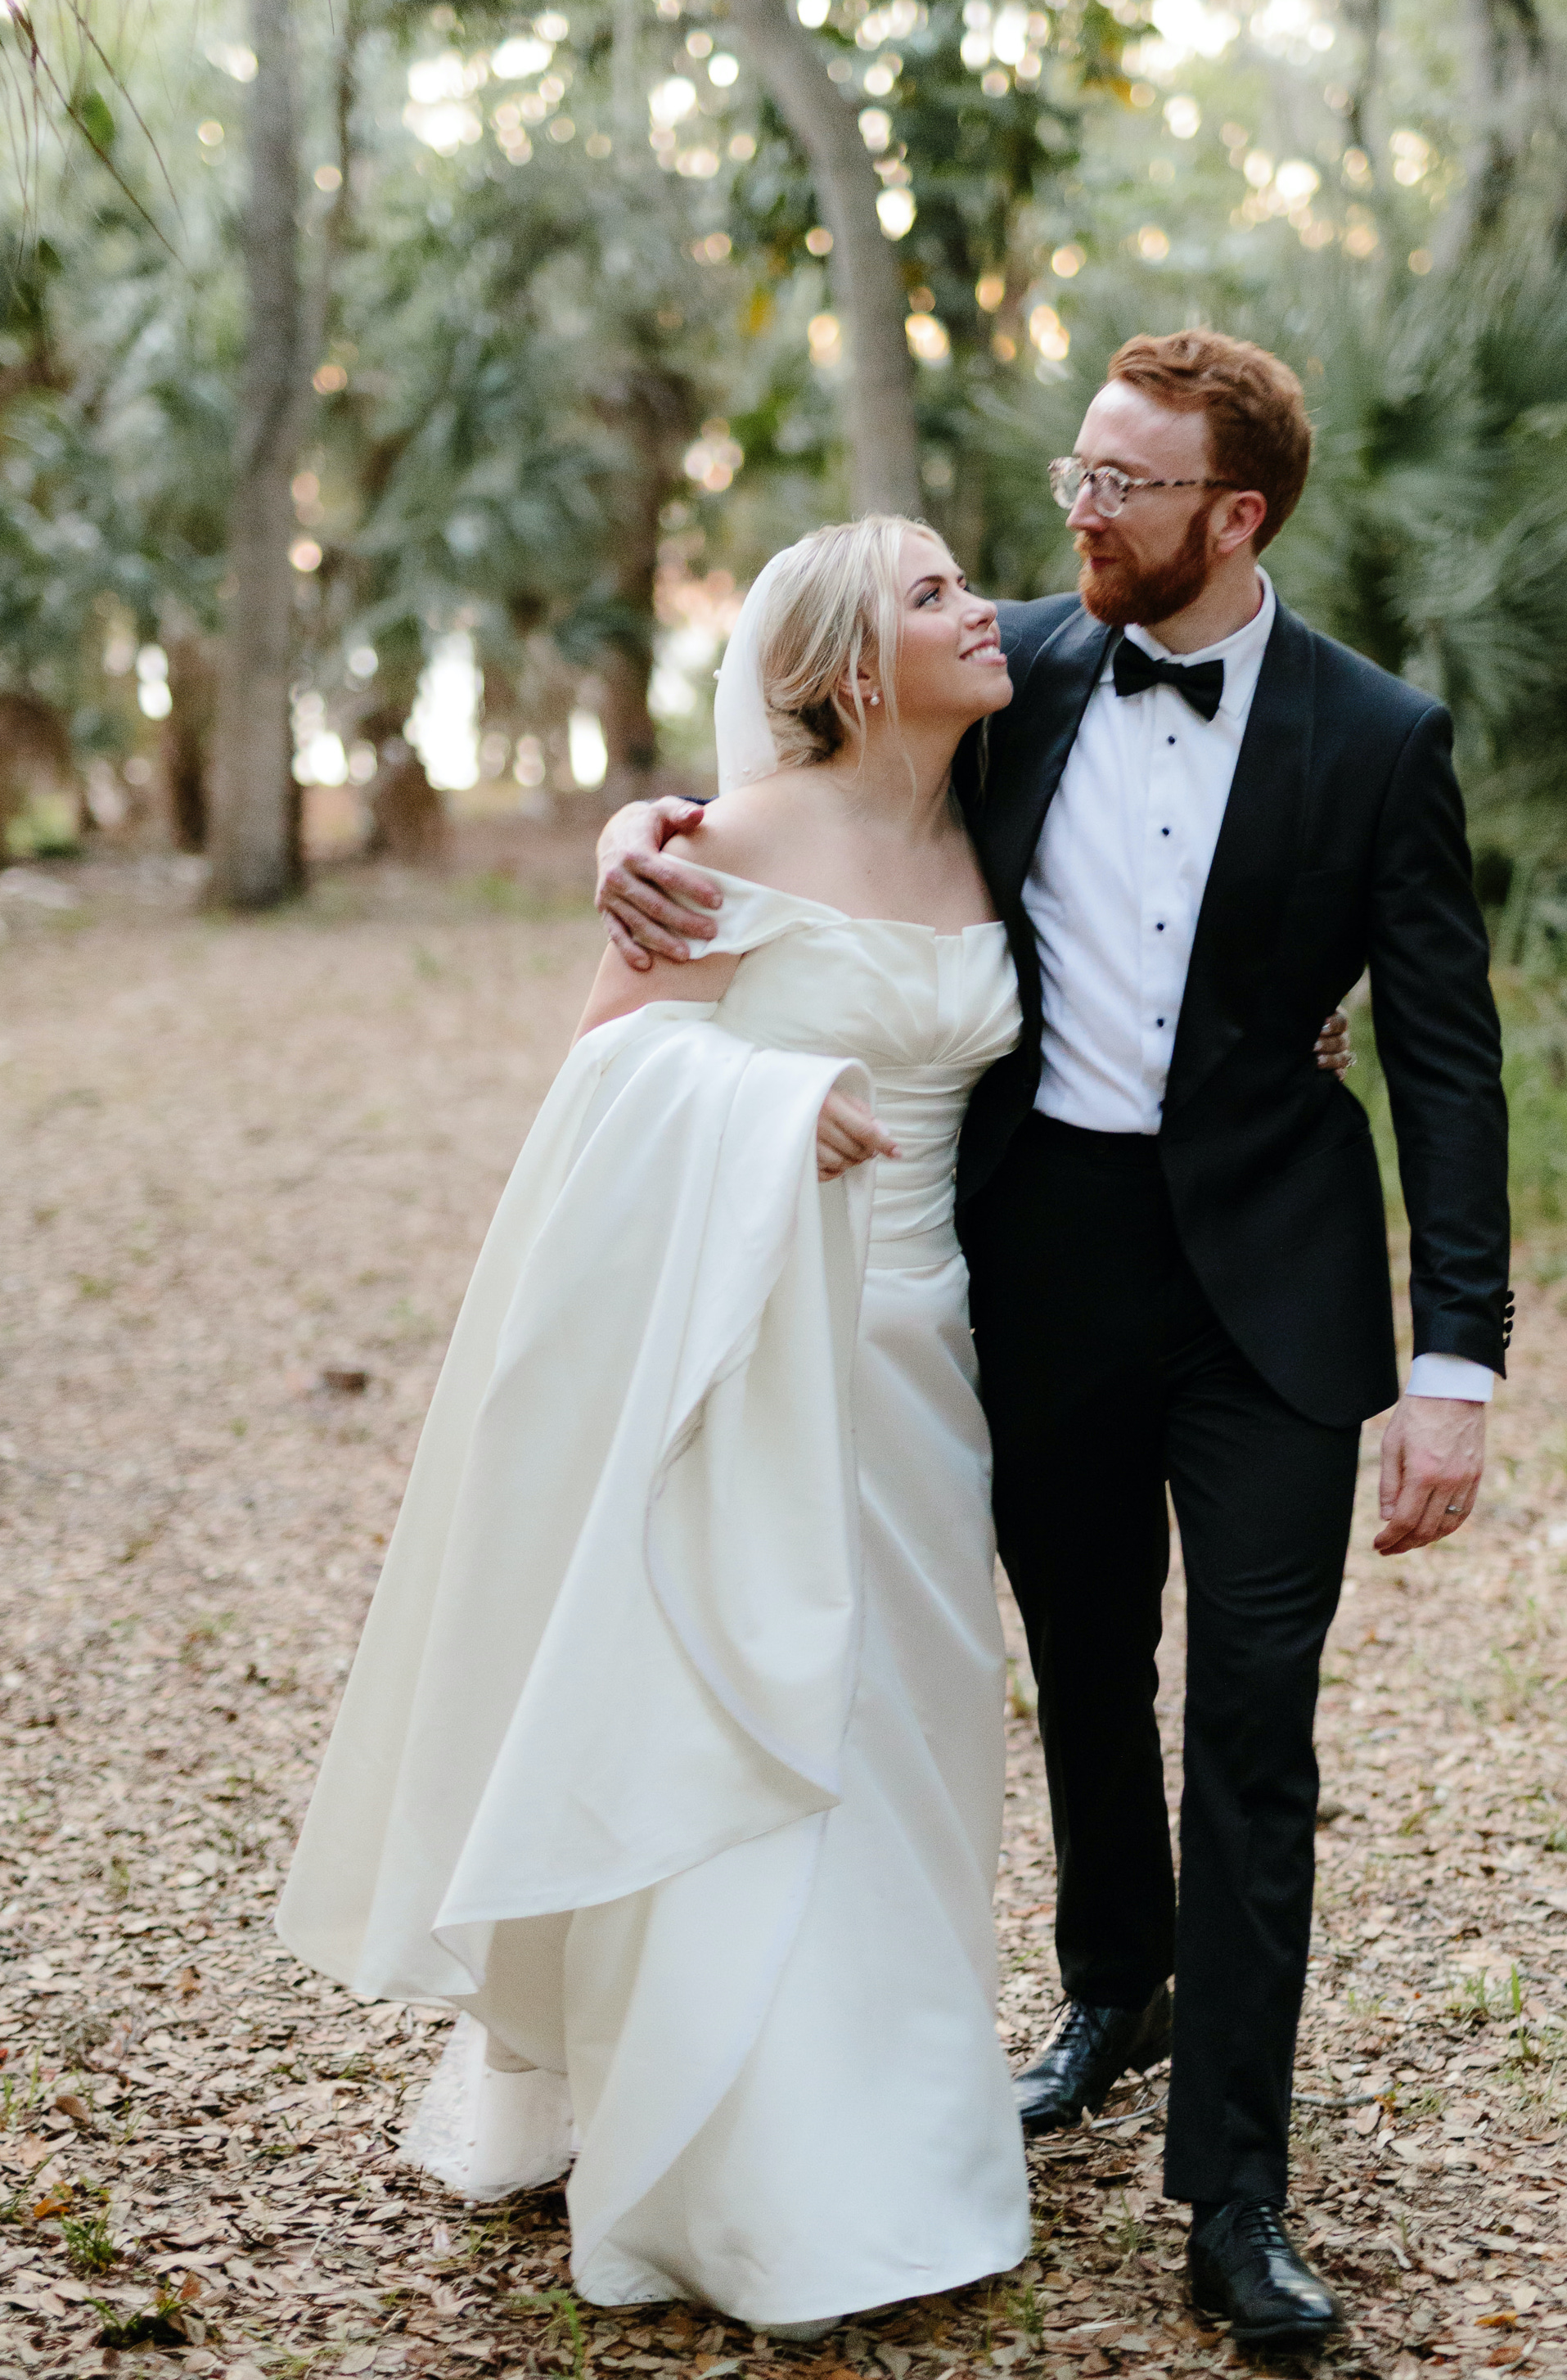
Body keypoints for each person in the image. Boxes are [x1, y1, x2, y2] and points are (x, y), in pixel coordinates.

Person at [595, 329, 1511, 2355]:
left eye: (1125, 486)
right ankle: (1118, 1976)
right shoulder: (1002, 666)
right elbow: (808, 767)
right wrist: (642, 834)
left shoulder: (1378, 738)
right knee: (1084, 1661)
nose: (1076, 512)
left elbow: (1447, 1058)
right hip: (1038, 1263)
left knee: (1251, 1722)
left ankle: (1236, 2183)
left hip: (1275, 1294)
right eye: (1077, 469)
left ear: (1235, 515)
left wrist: (1459, 1357)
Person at [277, 518, 1039, 2333]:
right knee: (757, 1704)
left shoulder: (987, 816)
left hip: (933, 1357)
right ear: (852, 664)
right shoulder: (735, 842)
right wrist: (779, 1104)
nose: (980, 605)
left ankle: (900, 2090)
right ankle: (753, 2166)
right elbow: (606, 1068)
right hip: (759, 1332)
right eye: (932, 593)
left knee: (909, 1726)